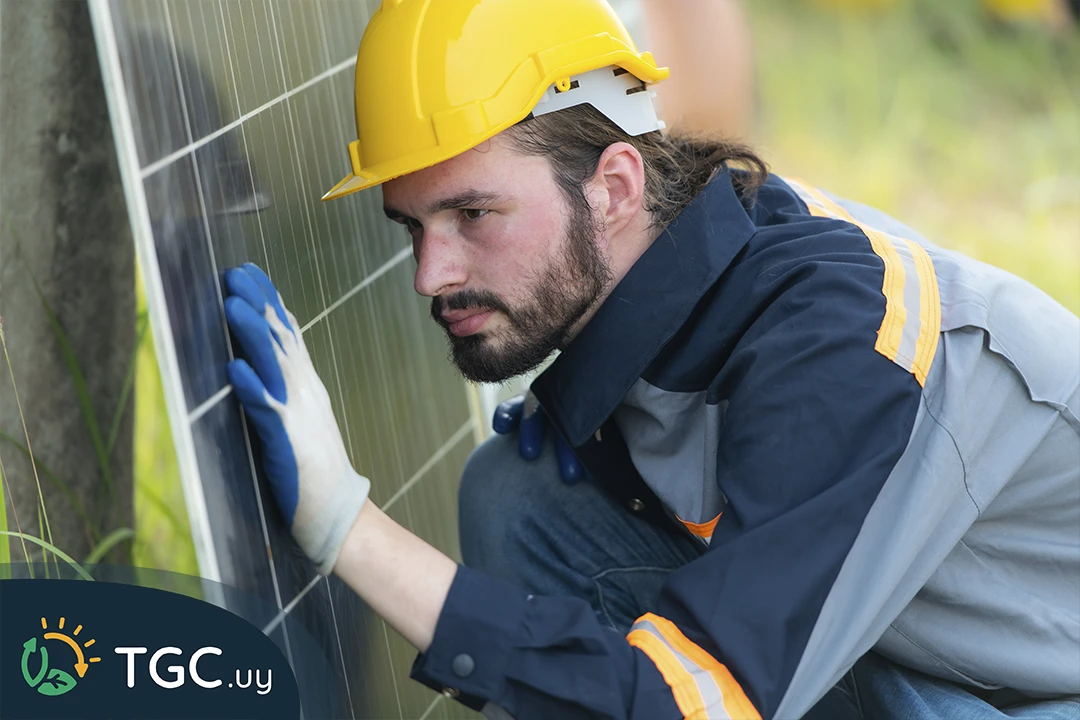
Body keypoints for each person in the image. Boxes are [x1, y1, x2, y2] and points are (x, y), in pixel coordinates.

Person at [220, 1, 1080, 718]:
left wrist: (348, 527)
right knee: (520, 498)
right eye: (414, 227)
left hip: (1031, 690)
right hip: (909, 644)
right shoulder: (700, 244)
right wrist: (589, 425)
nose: (429, 276)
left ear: (617, 185)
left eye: (473, 215)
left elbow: (696, 704)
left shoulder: (840, 345)